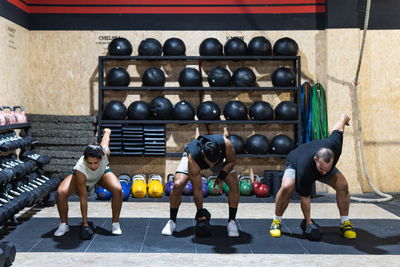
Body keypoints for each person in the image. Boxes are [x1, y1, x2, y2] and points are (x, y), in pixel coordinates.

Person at [270, 114, 357, 239]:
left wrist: (343, 119)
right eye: (321, 169)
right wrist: (309, 222)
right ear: (315, 159)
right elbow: (305, 199)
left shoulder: (334, 145)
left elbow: (338, 129)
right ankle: (276, 221)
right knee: (287, 187)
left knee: (343, 185)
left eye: (326, 170)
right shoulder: (304, 167)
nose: (324, 174)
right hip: (294, 161)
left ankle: (345, 222)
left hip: (320, 164)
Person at [161, 134, 240, 237]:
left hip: (218, 161)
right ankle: (172, 221)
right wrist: (200, 213)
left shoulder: (226, 144)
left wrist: (220, 178)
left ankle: (232, 222)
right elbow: (197, 188)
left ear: (220, 152)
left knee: (234, 183)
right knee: (177, 184)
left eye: (213, 162)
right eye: (209, 162)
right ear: (203, 154)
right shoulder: (193, 157)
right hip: (196, 160)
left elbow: (231, 161)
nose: (211, 166)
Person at [54, 128, 123, 237]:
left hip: (101, 175)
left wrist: (107, 132)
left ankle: (115, 224)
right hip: (84, 178)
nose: (93, 166)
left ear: (101, 158)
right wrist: (85, 224)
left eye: (96, 163)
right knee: (61, 193)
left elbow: (105, 141)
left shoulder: (105, 153)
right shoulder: (80, 168)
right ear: (85, 160)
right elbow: (83, 197)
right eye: (89, 163)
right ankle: (64, 224)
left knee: (118, 189)